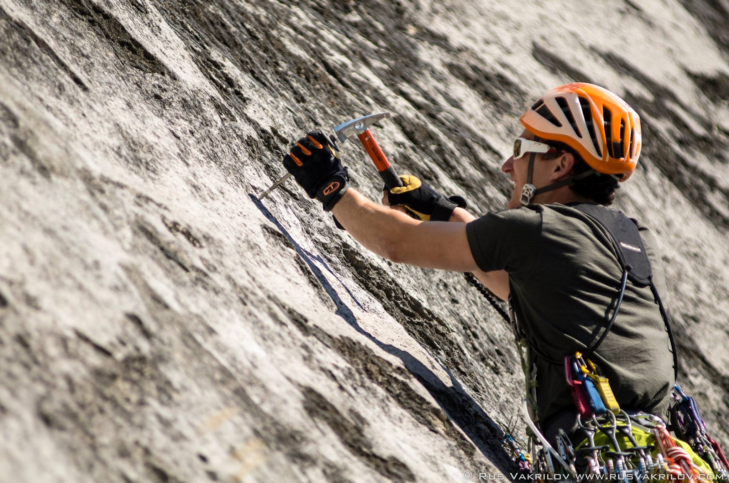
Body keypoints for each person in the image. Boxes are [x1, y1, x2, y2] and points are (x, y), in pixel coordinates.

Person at [281, 83, 675, 448]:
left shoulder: (537, 227)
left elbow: (396, 242)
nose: (508, 165)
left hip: (587, 450)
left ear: (560, 165)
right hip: (661, 449)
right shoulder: (634, 236)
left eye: (522, 150)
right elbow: (526, 287)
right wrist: (441, 210)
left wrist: (330, 186)